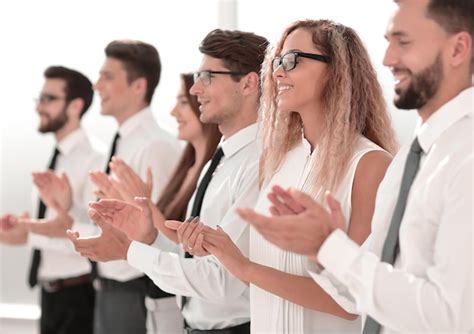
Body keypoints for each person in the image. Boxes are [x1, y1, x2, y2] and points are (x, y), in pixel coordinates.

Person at [237, 0, 473, 333]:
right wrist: (326, 249)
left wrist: (326, 248)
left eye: (403, 42)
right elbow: (356, 296)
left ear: (458, 48)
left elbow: (453, 316)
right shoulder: (413, 158)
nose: (388, 59)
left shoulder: (461, 157)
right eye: (388, 42)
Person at [188, 19, 398, 333]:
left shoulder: (370, 164)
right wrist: (216, 247)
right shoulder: (278, 163)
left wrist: (243, 267)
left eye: (292, 60)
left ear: (336, 70)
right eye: (276, 61)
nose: (277, 72)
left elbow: (350, 301)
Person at [80, 29, 269, 333]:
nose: (195, 90)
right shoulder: (221, 159)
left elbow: (221, 282)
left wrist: (129, 251)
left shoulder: (259, 162)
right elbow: (195, 263)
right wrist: (150, 237)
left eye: (208, 76)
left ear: (248, 83)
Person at [68, 72, 222, 333]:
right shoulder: (187, 166)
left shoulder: (161, 150)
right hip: (162, 299)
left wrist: (145, 206)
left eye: (184, 102)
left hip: (177, 302)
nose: (173, 112)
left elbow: (186, 248)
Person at [77, 40, 181, 334]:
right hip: (110, 288)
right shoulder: (123, 139)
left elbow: (165, 233)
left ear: (139, 86)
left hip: (136, 291)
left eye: (108, 77)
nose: (97, 85)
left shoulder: (155, 146)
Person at [0, 66, 99, 334]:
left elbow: (93, 240)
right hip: (50, 295)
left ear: (75, 105)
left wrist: (30, 230)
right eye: (39, 98)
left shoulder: (94, 162)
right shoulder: (58, 158)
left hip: (78, 296)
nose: (39, 107)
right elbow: (54, 226)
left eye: (49, 99)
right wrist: (22, 228)